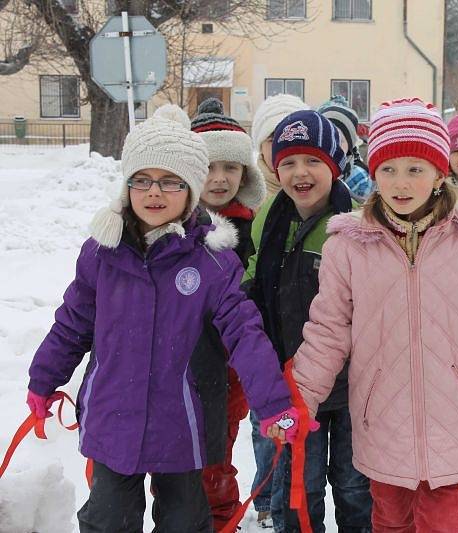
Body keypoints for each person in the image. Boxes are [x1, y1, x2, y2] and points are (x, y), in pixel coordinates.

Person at [25, 105, 302, 532]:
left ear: (191, 190)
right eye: (143, 180)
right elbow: (72, 323)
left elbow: (244, 333)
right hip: (112, 419)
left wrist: (272, 403)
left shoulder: (211, 261)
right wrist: (43, 380)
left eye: (171, 182)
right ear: (127, 187)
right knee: (108, 520)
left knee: (186, 521)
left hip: (181, 423)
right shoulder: (102, 255)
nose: (155, 192)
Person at [268, 98, 458, 533]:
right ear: (373, 174)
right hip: (381, 419)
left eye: (416, 169)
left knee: (442, 523)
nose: (401, 182)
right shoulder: (349, 248)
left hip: (455, 418)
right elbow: (328, 332)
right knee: (389, 521)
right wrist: (299, 398)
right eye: (389, 169)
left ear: (438, 174)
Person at [249, 109, 372, 533]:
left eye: (313, 161)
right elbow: (253, 277)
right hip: (294, 383)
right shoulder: (268, 218)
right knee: (301, 482)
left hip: (355, 382)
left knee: (355, 484)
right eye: (288, 162)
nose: (300, 172)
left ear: (334, 165)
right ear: (274, 167)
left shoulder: (358, 222)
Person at [191, 97, 269, 530]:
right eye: (208, 166)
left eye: (231, 168)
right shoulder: (166, 223)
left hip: (229, 372)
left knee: (216, 458)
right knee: (172, 468)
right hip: (172, 368)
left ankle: (221, 521)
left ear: (245, 173)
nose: (219, 178)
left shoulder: (253, 227)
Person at [246, 92, 310, 528]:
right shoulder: (254, 201)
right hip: (263, 333)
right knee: (264, 421)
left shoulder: (313, 192)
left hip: (305, 335)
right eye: (272, 137)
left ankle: (291, 493)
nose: (281, 145)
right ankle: (266, 490)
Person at [318, 95, 373, 203]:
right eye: (326, 138)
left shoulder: (360, 177)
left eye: (339, 139)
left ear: (350, 144)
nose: (332, 144)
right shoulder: (311, 170)